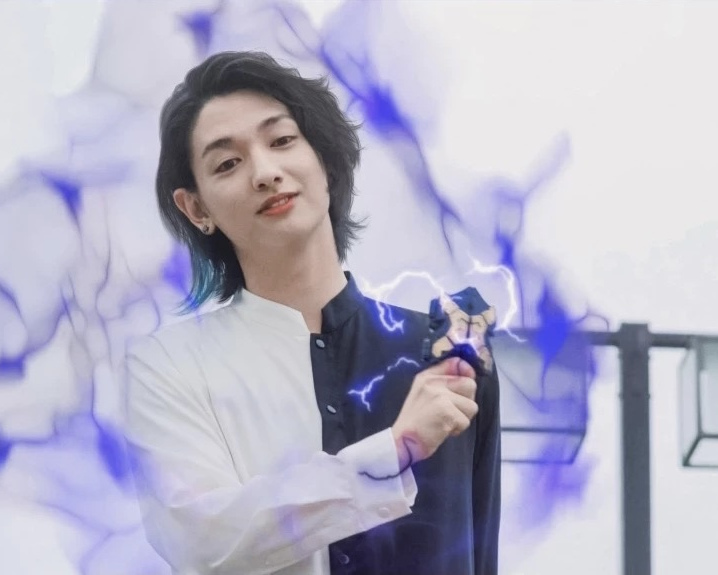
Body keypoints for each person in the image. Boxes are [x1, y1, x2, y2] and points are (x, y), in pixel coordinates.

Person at [123, 51, 501, 575]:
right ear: (197, 208)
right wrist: (393, 451)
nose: (265, 173)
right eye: (228, 163)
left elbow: (480, 551)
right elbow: (200, 541)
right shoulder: (169, 365)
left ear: (323, 158)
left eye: (282, 141)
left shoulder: (442, 358)